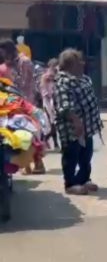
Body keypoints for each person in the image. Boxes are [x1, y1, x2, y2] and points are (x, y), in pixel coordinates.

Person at [54, 49, 103, 195]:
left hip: (87, 126)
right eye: (78, 62)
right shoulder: (63, 81)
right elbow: (65, 106)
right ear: (70, 65)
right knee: (71, 154)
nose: (82, 64)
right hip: (72, 127)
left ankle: (84, 179)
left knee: (86, 154)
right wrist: (76, 122)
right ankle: (70, 184)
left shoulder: (83, 79)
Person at [0, 38, 43, 174]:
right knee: (20, 134)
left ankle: (38, 164)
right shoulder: (9, 64)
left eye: (2, 52)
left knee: (31, 133)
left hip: (26, 102)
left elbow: (23, 83)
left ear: (8, 50)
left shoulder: (24, 62)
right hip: (15, 103)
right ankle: (27, 166)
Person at [40, 58, 59, 150]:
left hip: (55, 102)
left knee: (54, 124)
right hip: (48, 103)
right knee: (52, 124)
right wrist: (50, 95)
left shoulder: (57, 76)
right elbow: (43, 90)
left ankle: (54, 143)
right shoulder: (45, 77)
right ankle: (45, 141)